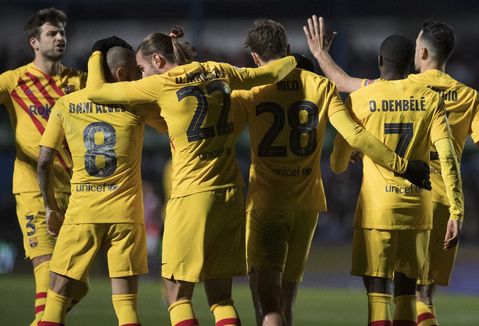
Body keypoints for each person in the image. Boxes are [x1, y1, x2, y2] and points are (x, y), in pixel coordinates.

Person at [84, 27, 298, 326]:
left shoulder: (160, 85)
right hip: (230, 194)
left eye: (143, 68)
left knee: (177, 297)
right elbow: (276, 71)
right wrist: (293, 58)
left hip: (191, 197)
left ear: (158, 60)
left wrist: (98, 48)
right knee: (221, 298)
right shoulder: (219, 70)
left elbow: (95, 91)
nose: (141, 76)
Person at [231, 19, 433, 326]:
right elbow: (355, 135)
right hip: (308, 205)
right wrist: (403, 166)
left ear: (255, 58)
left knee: (267, 305)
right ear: (287, 49)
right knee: (287, 301)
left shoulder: (251, 89)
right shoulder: (321, 86)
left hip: (267, 203)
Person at [304, 16, 479, 325]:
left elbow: (343, 84)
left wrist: (320, 54)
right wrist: (459, 210)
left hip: (388, 202)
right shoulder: (469, 97)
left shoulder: (388, 87)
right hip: (441, 202)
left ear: (423, 53)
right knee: (421, 296)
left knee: (381, 290)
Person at [329, 34, 463, 325]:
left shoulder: (360, 99)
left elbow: (337, 166)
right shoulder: (429, 99)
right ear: (411, 66)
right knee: (407, 294)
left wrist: (351, 154)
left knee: (378, 296)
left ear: (379, 61)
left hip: (378, 211)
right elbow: (448, 157)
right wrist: (456, 210)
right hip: (418, 210)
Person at [37, 44, 167, 326]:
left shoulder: (66, 104)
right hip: (126, 217)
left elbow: (44, 161)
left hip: (82, 213)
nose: (137, 79)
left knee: (56, 299)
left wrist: (50, 207)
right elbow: (173, 126)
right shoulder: (136, 105)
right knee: (127, 307)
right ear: (121, 74)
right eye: (134, 73)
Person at [0, 8, 87, 324]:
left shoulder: (80, 82)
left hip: (74, 193)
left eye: (62, 31)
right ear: (33, 42)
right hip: (33, 189)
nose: (61, 37)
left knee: (76, 286)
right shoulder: (14, 81)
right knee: (47, 272)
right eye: (53, 33)